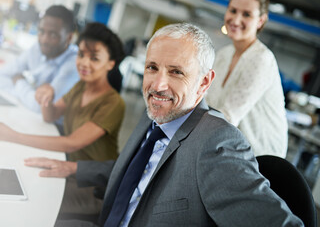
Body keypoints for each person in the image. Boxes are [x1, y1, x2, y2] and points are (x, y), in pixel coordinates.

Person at [25, 23, 303, 227]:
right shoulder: (156, 114)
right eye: (152, 67)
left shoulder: (217, 144)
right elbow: (136, 170)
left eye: (176, 72)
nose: (158, 85)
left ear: (204, 82)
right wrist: (73, 168)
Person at [0, 22, 126, 217]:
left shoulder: (114, 103)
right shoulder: (80, 88)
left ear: (111, 63)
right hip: (65, 169)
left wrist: (12, 136)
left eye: (94, 58)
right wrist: (47, 95)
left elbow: (71, 143)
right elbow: (50, 115)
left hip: (93, 186)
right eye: (81, 54)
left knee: (26, 201)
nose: (84, 63)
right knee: (10, 179)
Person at [205, 0, 288, 158]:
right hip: (229, 148)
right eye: (233, 10)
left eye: (247, 14)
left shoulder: (261, 59)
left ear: (260, 21)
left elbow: (228, 116)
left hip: (261, 158)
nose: (236, 20)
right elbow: (207, 101)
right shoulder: (224, 54)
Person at [0, 5, 79, 118]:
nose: (44, 40)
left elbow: (40, 107)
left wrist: (19, 81)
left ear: (69, 38)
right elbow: (1, 77)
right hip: (27, 115)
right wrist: (28, 94)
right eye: (41, 31)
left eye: (53, 34)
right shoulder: (38, 48)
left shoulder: (74, 64)